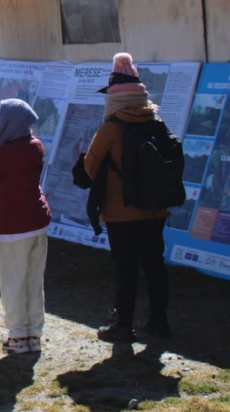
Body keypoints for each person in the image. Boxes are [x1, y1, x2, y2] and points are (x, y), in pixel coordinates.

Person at [82, 53, 172, 342]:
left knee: (126, 268)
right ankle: (159, 323)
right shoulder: (156, 122)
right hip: (155, 208)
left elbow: (90, 168)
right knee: (155, 265)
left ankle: (123, 325)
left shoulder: (111, 128)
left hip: (120, 213)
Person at [0, 100, 51, 354]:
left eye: (0, 119)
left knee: (12, 282)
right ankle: (33, 335)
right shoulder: (35, 146)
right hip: (37, 223)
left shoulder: (7, 153)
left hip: (13, 227)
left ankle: (17, 335)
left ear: (10, 124)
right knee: (33, 281)